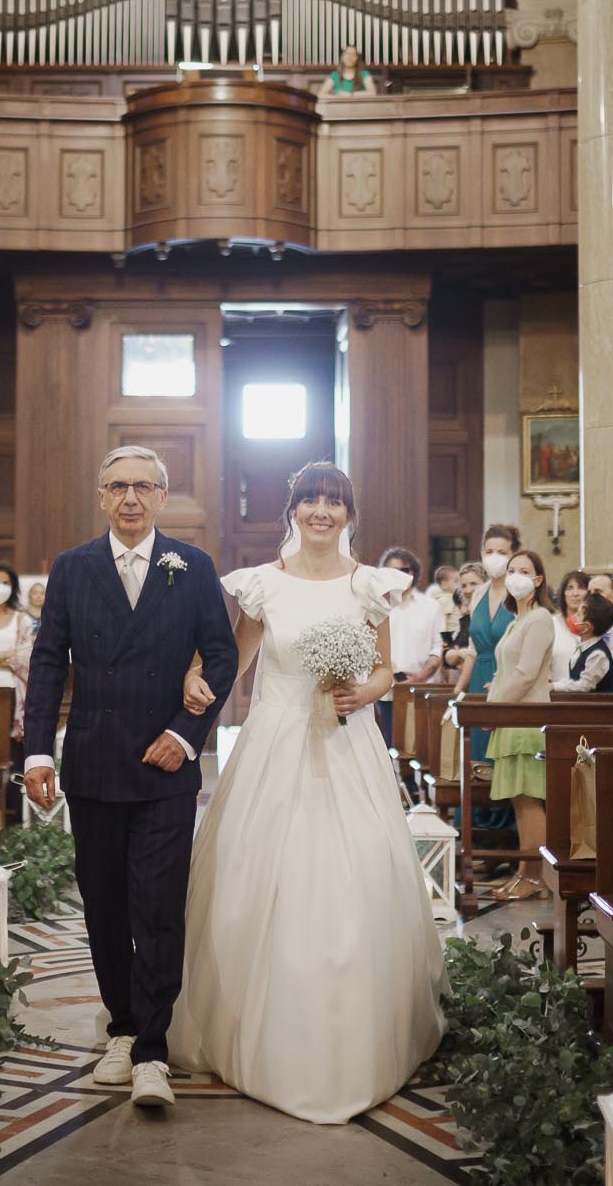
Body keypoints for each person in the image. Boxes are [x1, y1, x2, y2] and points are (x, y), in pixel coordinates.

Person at [168, 462, 444, 1123]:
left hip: (348, 744)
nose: (322, 510)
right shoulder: (265, 584)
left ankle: (356, 1035)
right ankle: (257, 1030)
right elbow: (235, 658)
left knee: (357, 877)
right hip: (276, 739)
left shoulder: (368, 584)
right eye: (311, 500)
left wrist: (363, 692)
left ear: (349, 513)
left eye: (334, 501)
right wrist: (195, 680)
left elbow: (384, 669)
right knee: (260, 875)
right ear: (292, 510)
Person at [21, 446, 238, 1111]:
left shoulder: (193, 566)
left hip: (165, 765)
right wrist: (37, 753)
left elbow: (222, 656)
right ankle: (121, 1025)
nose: (131, 497)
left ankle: (152, 1049)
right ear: (101, 496)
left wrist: (185, 734)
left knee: (159, 905)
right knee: (105, 904)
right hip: (94, 762)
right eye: (118, 486)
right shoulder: (73, 567)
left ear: (163, 496)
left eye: (143, 486)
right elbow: (48, 662)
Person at [482, 549, 557, 881]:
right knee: (519, 800)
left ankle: (535, 876)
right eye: (512, 570)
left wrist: (496, 710)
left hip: (525, 718)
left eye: (524, 571)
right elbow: (503, 672)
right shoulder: (517, 621)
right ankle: (526, 873)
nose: (515, 576)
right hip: (511, 718)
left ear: (538, 580)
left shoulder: (539, 619)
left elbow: (526, 674)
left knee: (528, 800)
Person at [462, 524, 521, 766]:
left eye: (501, 552)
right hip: (479, 676)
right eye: (489, 552)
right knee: (478, 752)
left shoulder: (518, 593)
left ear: (513, 555)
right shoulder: (479, 594)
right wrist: (459, 689)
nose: (494, 557)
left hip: (507, 676)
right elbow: (472, 649)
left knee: (502, 748)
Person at [374, 546, 444, 746]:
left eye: (404, 570)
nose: (398, 575)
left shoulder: (431, 607)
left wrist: (421, 676)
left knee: (420, 747)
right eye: (392, 571)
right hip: (386, 690)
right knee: (389, 747)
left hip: (422, 689)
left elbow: (438, 646)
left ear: (413, 572)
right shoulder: (378, 607)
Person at [0, 562, 36, 741]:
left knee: (5, 747)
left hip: (12, 692)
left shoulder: (22, 620)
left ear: (13, 588)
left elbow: (26, 658)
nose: (0, 587)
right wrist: (5, 655)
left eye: (5, 583)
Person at [559, 593, 613, 694]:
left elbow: (585, 686)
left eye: (578, 615)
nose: (573, 617)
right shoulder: (582, 645)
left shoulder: (598, 654)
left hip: (600, 703)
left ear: (587, 627)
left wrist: (555, 686)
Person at [432, 564, 461, 635]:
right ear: (444, 585)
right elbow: (443, 621)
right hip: (452, 634)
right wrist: (446, 638)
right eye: (456, 582)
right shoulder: (445, 599)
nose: (460, 584)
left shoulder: (454, 597)